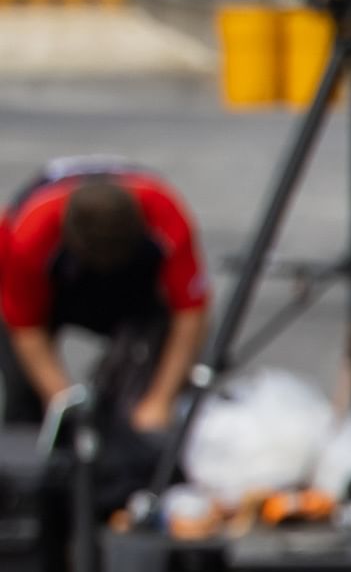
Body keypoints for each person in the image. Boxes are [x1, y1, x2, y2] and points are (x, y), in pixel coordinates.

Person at [4, 164, 209, 510]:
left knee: (142, 417)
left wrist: (160, 399)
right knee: (30, 408)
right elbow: (26, 329)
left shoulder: (164, 214)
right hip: (60, 290)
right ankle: (31, 507)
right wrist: (61, 400)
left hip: (136, 296)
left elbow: (190, 314)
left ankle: (135, 495)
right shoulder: (26, 232)